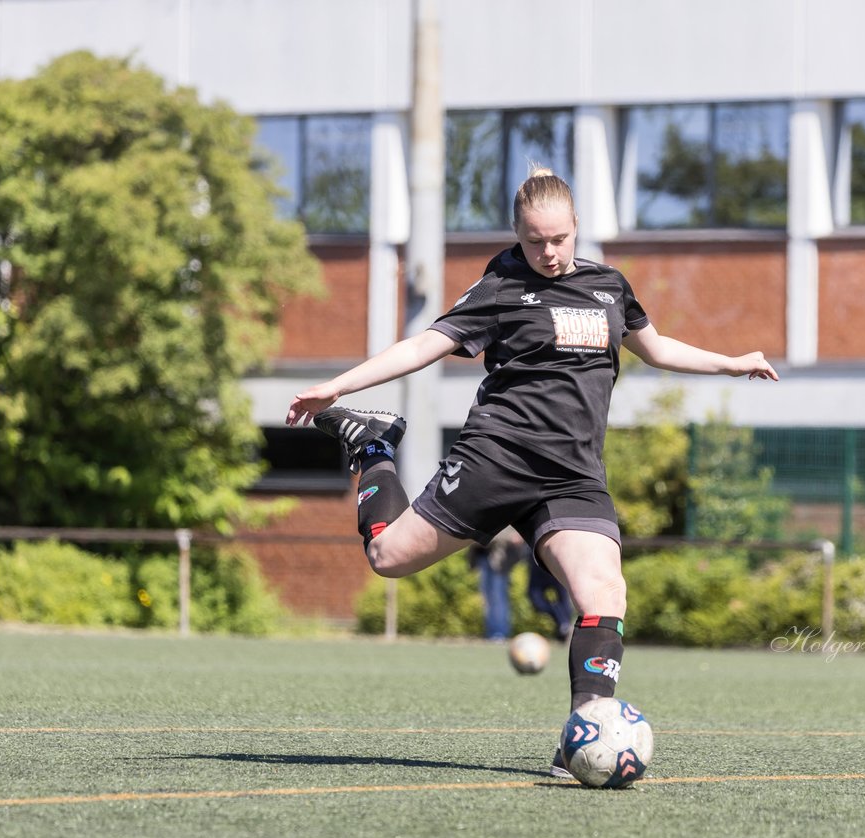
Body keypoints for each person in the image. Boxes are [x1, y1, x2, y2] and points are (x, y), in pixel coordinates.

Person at [286, 168, 778, 777]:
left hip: (573, 474)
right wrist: (336, 387)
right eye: (536, 240)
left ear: (576, 230)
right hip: (498, 459)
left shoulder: (608, 287)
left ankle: (585, 732)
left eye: (560, 238)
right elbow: (422, 346)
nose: (549, 252)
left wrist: (732, 364)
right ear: (518, 234)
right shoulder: (501, 287)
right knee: (388, 557)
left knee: (604, 593)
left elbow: (658, 348)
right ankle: (375, 446)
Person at [468, 527, 525, 641]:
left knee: (498, 596)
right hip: (483, 555)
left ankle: (499, 633)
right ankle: (491, 632)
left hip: (499, 560)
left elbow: (512, 536)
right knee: (487, 597)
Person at [526, 552, 573, 642]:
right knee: (536, 600)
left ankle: (564, 628)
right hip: (537, 566)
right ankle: (563, 623)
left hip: (556, 564)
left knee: (563, 600)